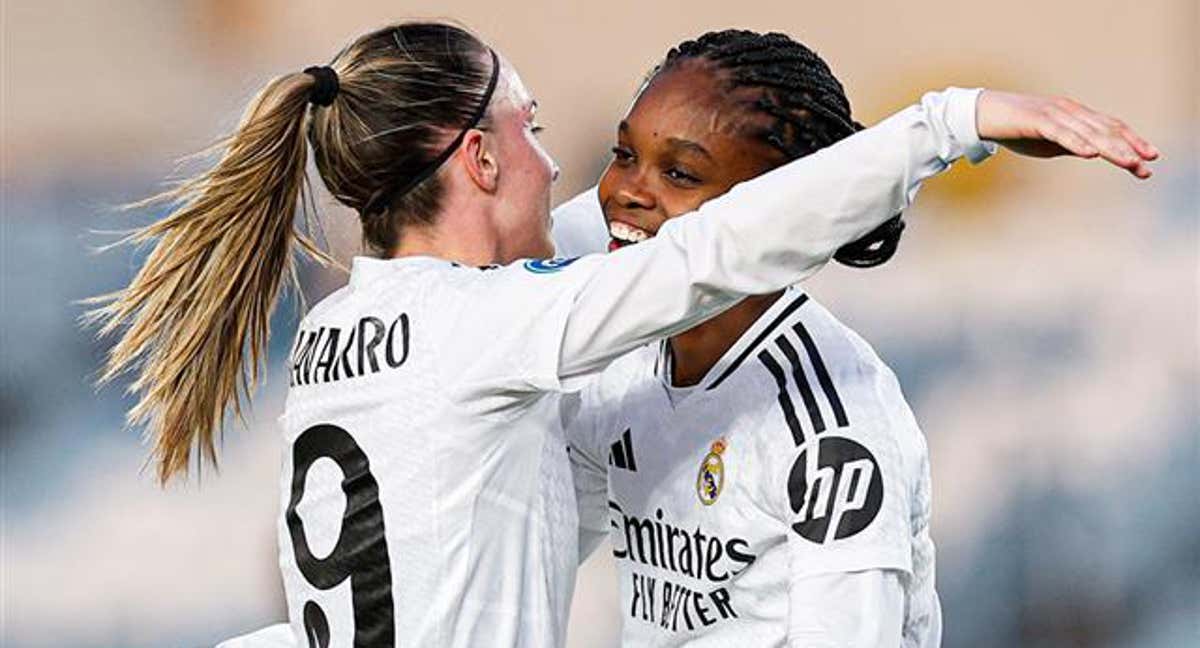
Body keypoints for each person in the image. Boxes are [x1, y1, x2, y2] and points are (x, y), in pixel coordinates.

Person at [84, 18, 1154, 648]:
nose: (576, 177)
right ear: (480, 161)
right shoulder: (496, 330)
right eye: (537, 130)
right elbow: (703, 253)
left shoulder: (346, 331)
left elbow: (629, 234)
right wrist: (947, 125)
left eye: (660, 170)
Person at [557, 30, 1158, 647]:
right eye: (623, 154)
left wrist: (954, 122)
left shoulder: (829, 427)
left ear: (780, 215)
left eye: (680, 173)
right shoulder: (625, 368)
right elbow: (534, 560)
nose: (625, 191)